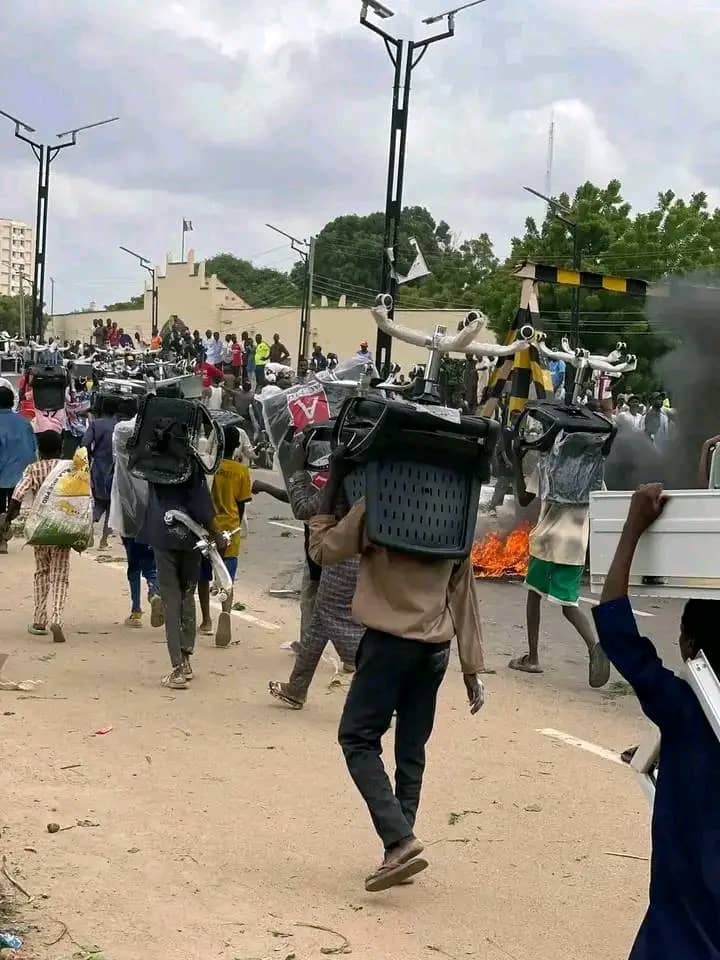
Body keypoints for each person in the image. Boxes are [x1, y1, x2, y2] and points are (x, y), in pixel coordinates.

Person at [309, 450, 486, 892]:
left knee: (357, 738)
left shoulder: (380, 506)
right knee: (411, 748)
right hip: (436, 650)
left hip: (387, 646)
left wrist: (334, 480)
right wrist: (471, 667)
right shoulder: (457, 513)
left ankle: (399, 839)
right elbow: (463, 590)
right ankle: (398, 848)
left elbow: (322, 551)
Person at [592, 483, 720, 959]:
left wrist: (631, 530)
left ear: (688, 647)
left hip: (679, 932)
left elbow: (616, 630)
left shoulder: (684, 710)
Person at [508, 441, 611, 688]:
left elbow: (523, 499)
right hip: (576, 543)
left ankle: (532, 658)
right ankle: (593, 645)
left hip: (547, 539)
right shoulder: (594, 469)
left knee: (534, 595)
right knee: (569, 604)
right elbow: (602, 505)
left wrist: (516, 465)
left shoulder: (548, 463)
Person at [268, 438, 361, 709]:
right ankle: (297, 688)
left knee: (336, 620)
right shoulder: (374, 474)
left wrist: (299, 472)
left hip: (343, 556)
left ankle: (379, 691)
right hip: (364, 558)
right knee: (320, 621)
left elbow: (305, 510)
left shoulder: (347, 478)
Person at [138, 459, 217, 690]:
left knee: (171, 601)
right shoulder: (192, 463)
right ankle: (187, 659)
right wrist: (216, 532)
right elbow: (202, 502)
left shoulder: (153, 463)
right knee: (187, 595)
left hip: (162, 534)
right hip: (191, 537)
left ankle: (178, 667)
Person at [2, 431, 71, 642]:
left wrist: (7, 520)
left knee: (42, 572)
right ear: (61, 449)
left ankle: (39, 619)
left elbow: (17, 496)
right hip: (62, 528)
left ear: (39, 451)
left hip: (40, 529)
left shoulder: (34, 469)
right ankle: (57, 617)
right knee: (60, 575)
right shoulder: (69, 468)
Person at [197, 426, 253, 646]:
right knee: (227, 578)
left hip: (206, 527)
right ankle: (226, 614)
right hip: (230, 528)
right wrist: (234, 527)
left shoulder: (209, 467)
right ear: (237, 445)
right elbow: (241, 505)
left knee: (204, 575)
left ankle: (206, 621)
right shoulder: (241, 471)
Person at [109, 410, 164, 629]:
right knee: (151, 560)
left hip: (126, 512)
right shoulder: (153, 458)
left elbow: (122, 431)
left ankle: (135, 610)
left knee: (133, 562)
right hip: (151, 512)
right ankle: (154, 590)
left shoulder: (122, 444)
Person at [0, 386, 36, 554]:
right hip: (19, 475)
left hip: (3, 473)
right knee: (13, 507)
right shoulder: (23, 423)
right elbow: (32, 449)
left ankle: (2, 536)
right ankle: (5, 526)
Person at [82, 397, 118, 550]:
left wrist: (91, 455)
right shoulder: (119, 426)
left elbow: (84, 444)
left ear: (101, 409)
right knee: (112, 506)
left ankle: (84, 531)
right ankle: (103, 541)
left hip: (98, 467)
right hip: (116, 469)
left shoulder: (95, 425)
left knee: (99, 503)